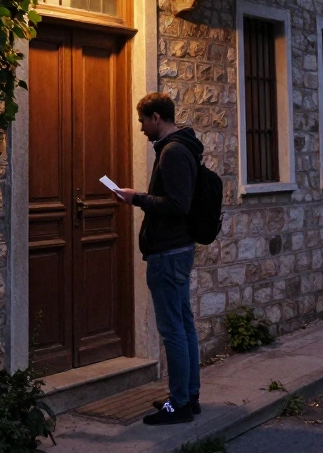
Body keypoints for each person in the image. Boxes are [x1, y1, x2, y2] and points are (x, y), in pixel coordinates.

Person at [114, 92, 202, 425]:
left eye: (142, 121)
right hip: (177, 250)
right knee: (184, 324)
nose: (141, 128)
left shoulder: (173, 152)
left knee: (174, 330)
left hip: (168, 253)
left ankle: (180, 404)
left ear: (155, 118)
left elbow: (177, 204)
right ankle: (188, 397)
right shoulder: (181, 148)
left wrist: (137, 198)